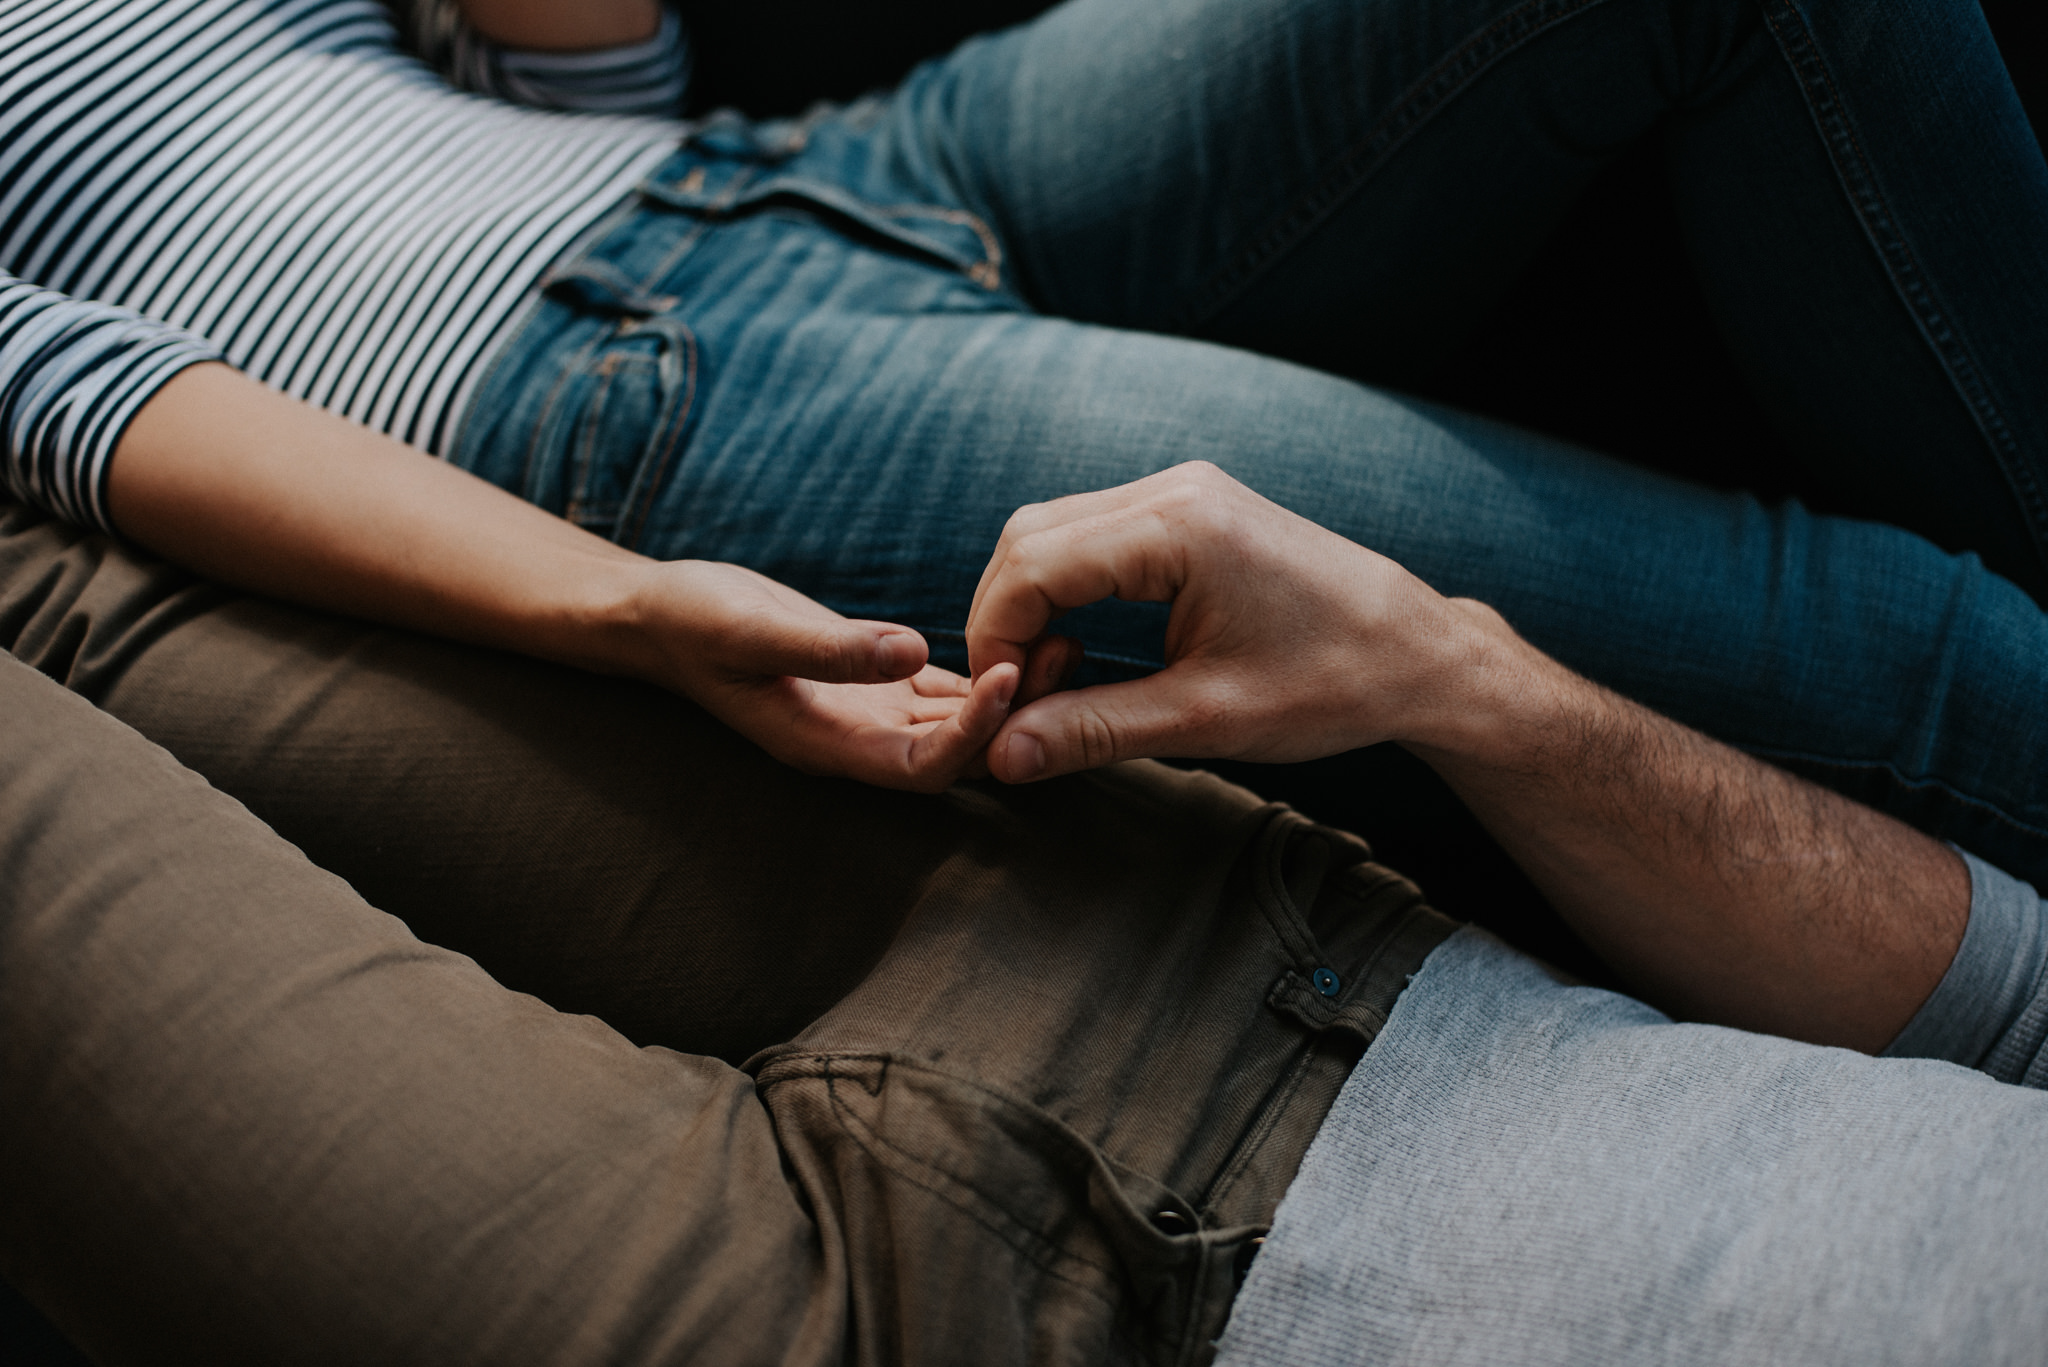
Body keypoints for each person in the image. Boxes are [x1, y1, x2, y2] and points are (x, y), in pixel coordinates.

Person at [4, 462, 2045, 1367]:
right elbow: (1999, 1000)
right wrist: (1454, 675)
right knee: (65, 593)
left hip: (901, 1334)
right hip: (1207, 932)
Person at [5, 0, 2048, 892]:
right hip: (610, 405)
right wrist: (622, 611)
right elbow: (84, 405)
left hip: (800, 173)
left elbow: (572, 84)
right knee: (1876, 643)